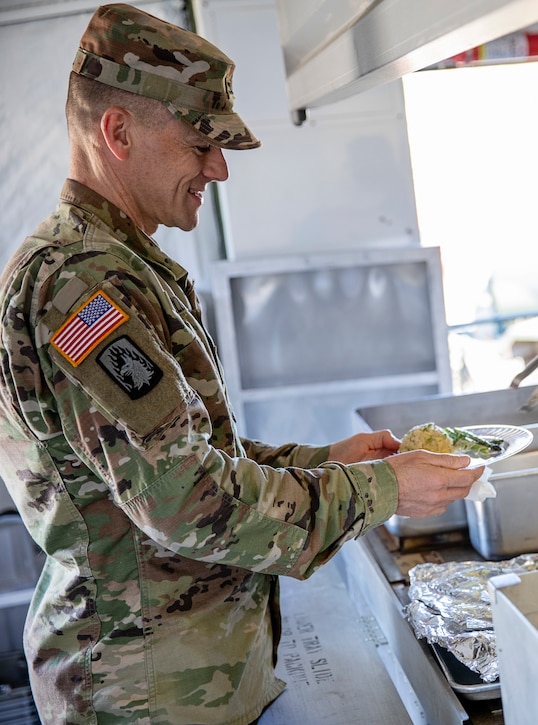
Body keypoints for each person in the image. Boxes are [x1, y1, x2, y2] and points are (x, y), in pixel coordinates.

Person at [0, 5, 482, 723]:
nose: (218, 168)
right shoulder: (82, 288)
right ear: (118, 133)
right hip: (143, 697)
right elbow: (185, 500)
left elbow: (187, 452)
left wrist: (329, 462)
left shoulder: (120, 264)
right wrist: (376, 490)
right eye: (201, 143)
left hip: (188, 682)